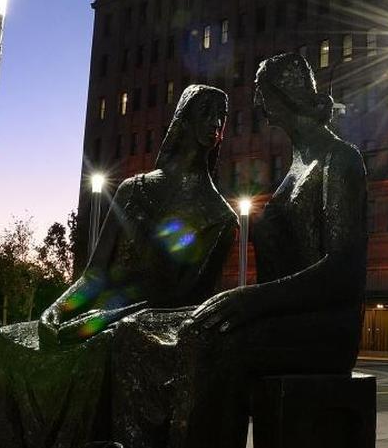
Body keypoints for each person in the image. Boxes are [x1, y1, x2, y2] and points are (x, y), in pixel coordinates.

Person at [0, 84, 238, 448]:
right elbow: (94, 274)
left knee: (103, 348)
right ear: (183, 120)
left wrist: (105, 320)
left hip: (143, 327)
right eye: (206, 113)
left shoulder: (219, 217)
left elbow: (184, 303)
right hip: (98, 316)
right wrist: (57, 311)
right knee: (3, 342)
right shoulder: (133, 190)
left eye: (222, 116)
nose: (215, 123)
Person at [154, 53, 369, 448]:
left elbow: (344, 271)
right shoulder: (296, 167)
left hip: (328, 330)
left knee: (218, 345)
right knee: (170, 330)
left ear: (281, 96)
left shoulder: (339, 160)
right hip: (286, 319)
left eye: (261, 94)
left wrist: (252, 301)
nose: (256, 104)